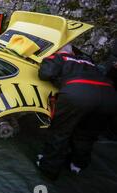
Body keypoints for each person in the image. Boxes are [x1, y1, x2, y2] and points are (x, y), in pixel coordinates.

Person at [36, 44, 117, 180]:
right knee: (87, 133)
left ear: (58, 50)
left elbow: (45, 73)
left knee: (60, 132)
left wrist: (51, 64)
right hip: (109, 96)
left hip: (78, 94)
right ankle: (78, 164)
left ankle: (48, 167)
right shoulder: (88, 61)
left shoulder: (59, 57)